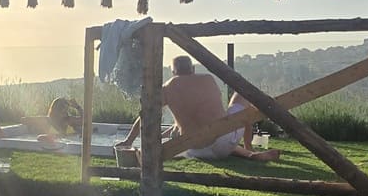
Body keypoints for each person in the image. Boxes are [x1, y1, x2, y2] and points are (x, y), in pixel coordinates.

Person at [116, 55, 279, 162]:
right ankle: (249, 148)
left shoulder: (166, 89)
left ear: (173, 71)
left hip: (195, 150)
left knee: (208, 132)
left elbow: (146, 115)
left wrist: (129, 141)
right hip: (223, 142)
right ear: (193, 69)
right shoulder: (208, 79)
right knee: (242, 96)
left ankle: (250, 154)